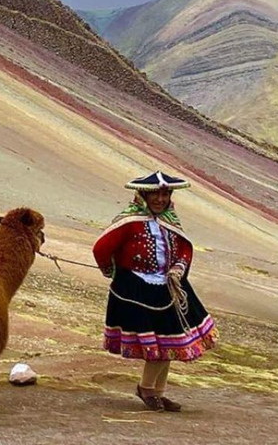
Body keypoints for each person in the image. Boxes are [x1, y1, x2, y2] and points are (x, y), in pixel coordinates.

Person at [92, 171, 217, 412]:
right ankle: (147, 389)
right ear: (143, 195)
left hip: (167, 287)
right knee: (158, 343)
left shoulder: (170, 220)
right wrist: (114, 273)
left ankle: (157, 392)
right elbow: (101, 248)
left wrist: (178, 268)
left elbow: (184, 249)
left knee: (170, 341)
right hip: (138, 289)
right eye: (155, 194)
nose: (160, 199)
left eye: (164, 194)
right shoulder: (129, 222)